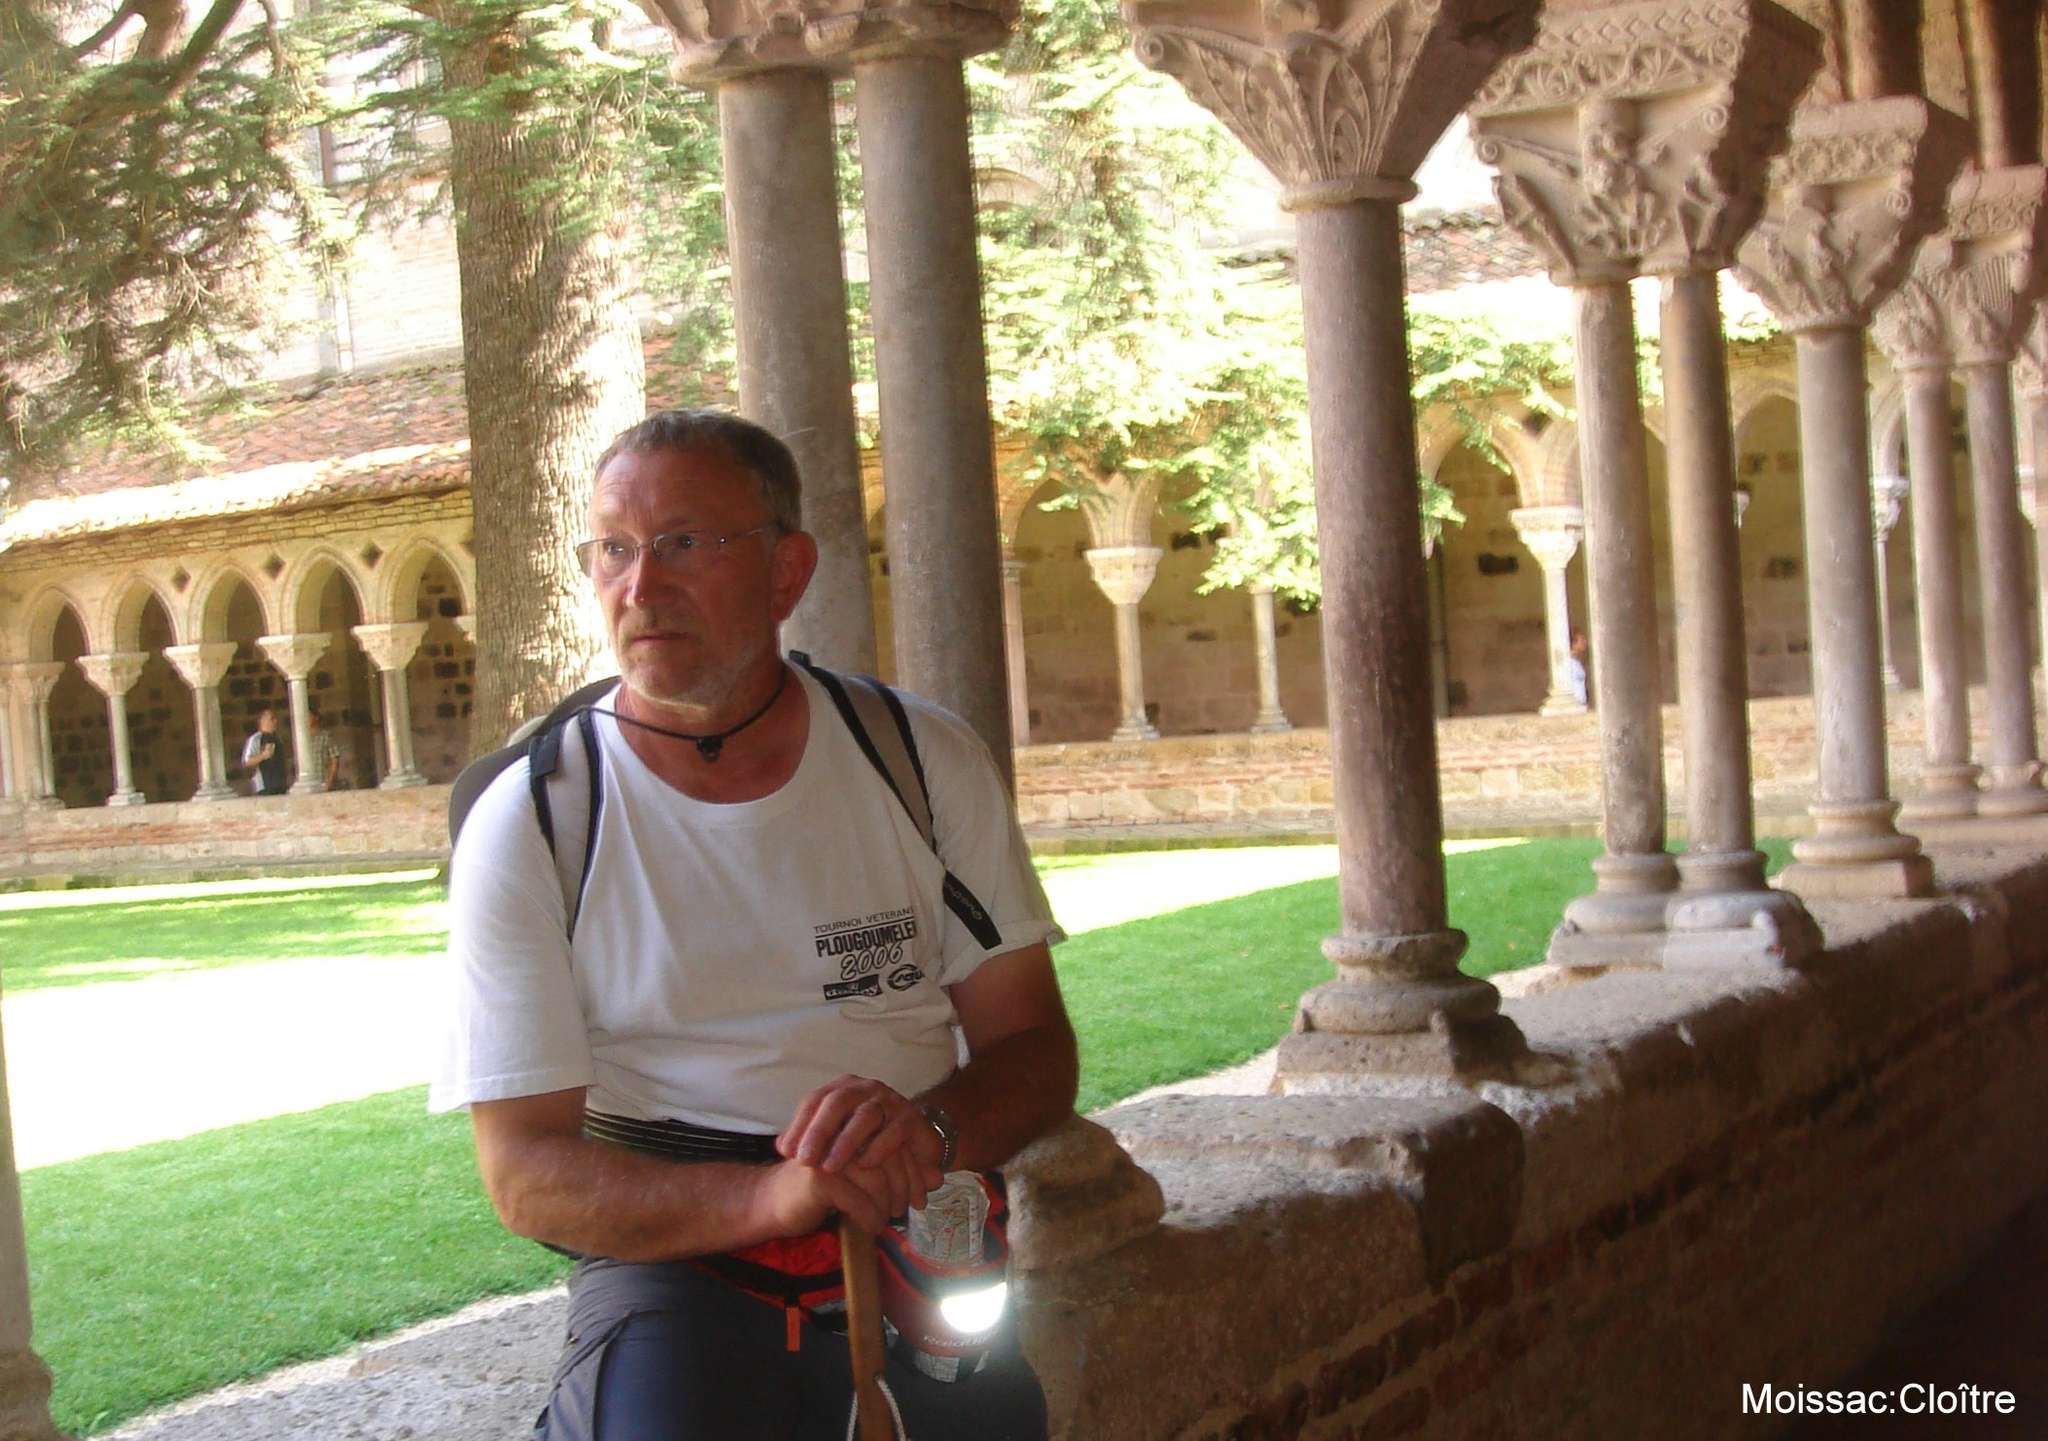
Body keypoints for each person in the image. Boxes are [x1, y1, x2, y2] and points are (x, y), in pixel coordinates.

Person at [433, 408, 1075, 1441]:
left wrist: (928, 1130)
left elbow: (1035, 1047)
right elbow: (524, 1175)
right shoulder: (538, 817)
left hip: (916, 1225)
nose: (641, 586)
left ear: (787, 571)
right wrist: (776, 1196)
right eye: (614, 549)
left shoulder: (919, 760)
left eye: (684, 542)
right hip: (681, 1265)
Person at [240, 707, 287, 795]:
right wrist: (263, 756)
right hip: (264, 786)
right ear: (262, 721)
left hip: (280, 785)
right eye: (272, 719)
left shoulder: (278, 738)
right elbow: (246, 762)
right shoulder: (256, 739)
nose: (275, 721)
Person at [303, 707, 344, 790]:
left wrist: (329, 781)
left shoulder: (326, 736)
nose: (306, 719)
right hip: (308, 784)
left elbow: (334, 759)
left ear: (316, 717)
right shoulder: (303, 740)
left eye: (308, 716)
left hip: (323, 781)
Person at [1566, 628, 1590, 708]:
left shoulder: (1576, 661)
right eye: (1582, 640)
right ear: (1573, 643)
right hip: (1572, 705)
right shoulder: (1567, 663)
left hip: (1580, 704)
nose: (1585, 642)